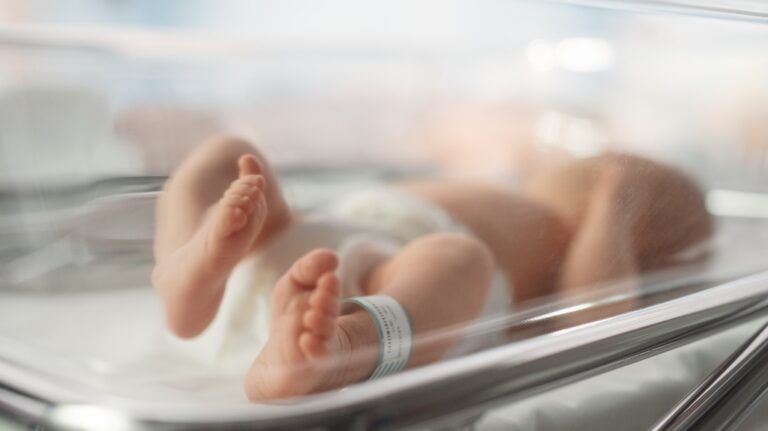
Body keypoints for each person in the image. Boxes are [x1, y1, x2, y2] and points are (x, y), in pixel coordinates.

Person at [151, 136, 713, 400]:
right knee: (229, 156)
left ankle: (350, 343)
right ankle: (190, 270)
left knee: (458, 259)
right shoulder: (512, 193)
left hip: (374, 289)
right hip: (293, 246)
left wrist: (613, 204)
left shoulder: (573, 240)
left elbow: (594, 316)